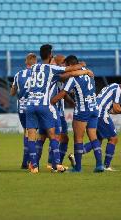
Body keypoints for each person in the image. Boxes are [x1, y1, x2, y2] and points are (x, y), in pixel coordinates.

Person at [26, 45, 93, 173]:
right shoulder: (51, 68)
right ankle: (56, 164)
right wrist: (83, 67)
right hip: (44, 105)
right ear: (50, 55)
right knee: (53, 136)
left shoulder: (34, 67)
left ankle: (33, 166)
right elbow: (70, 69)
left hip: (30, 104)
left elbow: (65, 73)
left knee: (32, 136)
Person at [51, 55, 104, 173]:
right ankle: (100, 164)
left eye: (66, 65)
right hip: (94, 108)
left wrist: (52, 101)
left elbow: (63, 93)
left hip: (83, 110)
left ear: (70, 65)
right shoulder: (88, 72)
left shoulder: (73, 79)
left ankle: (78, 167)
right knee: (93, 136)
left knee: (78, 138)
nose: (65, 67)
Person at [82, 79, 121, 171]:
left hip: (94, 112)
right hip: (101, 115)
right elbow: (116, 109)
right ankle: (106, 166)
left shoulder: (113, 86)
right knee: (113, 138)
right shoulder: (119, 90)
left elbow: (112, 110)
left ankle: (76, 154)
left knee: (98, 141)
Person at [10, 53, 37, 169]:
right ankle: (31, 161)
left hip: (22, 108)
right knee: (33, 133)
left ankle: (25, 161)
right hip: (35, 106)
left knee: (26, 132)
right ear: (35, 62)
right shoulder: (39, 74)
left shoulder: (18, 75)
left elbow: (12, 93)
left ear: (26, 62)